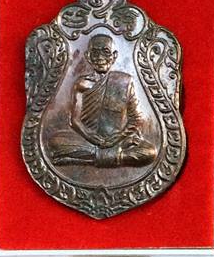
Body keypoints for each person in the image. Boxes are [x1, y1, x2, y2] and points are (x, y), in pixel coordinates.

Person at [48, 34, 157, 168]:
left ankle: (84, 159)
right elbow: (74, 121)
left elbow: (136, 119)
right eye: (95, 53)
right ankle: (114, 157)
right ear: (88, 56)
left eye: (105, 52)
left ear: (114, 56)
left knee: (150, 152)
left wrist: (119, 137)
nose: (100, 58)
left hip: (119, 140)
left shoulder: (124, 81)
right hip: (88, 140)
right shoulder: (82, 84)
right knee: (55, 141)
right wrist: (90, 136)